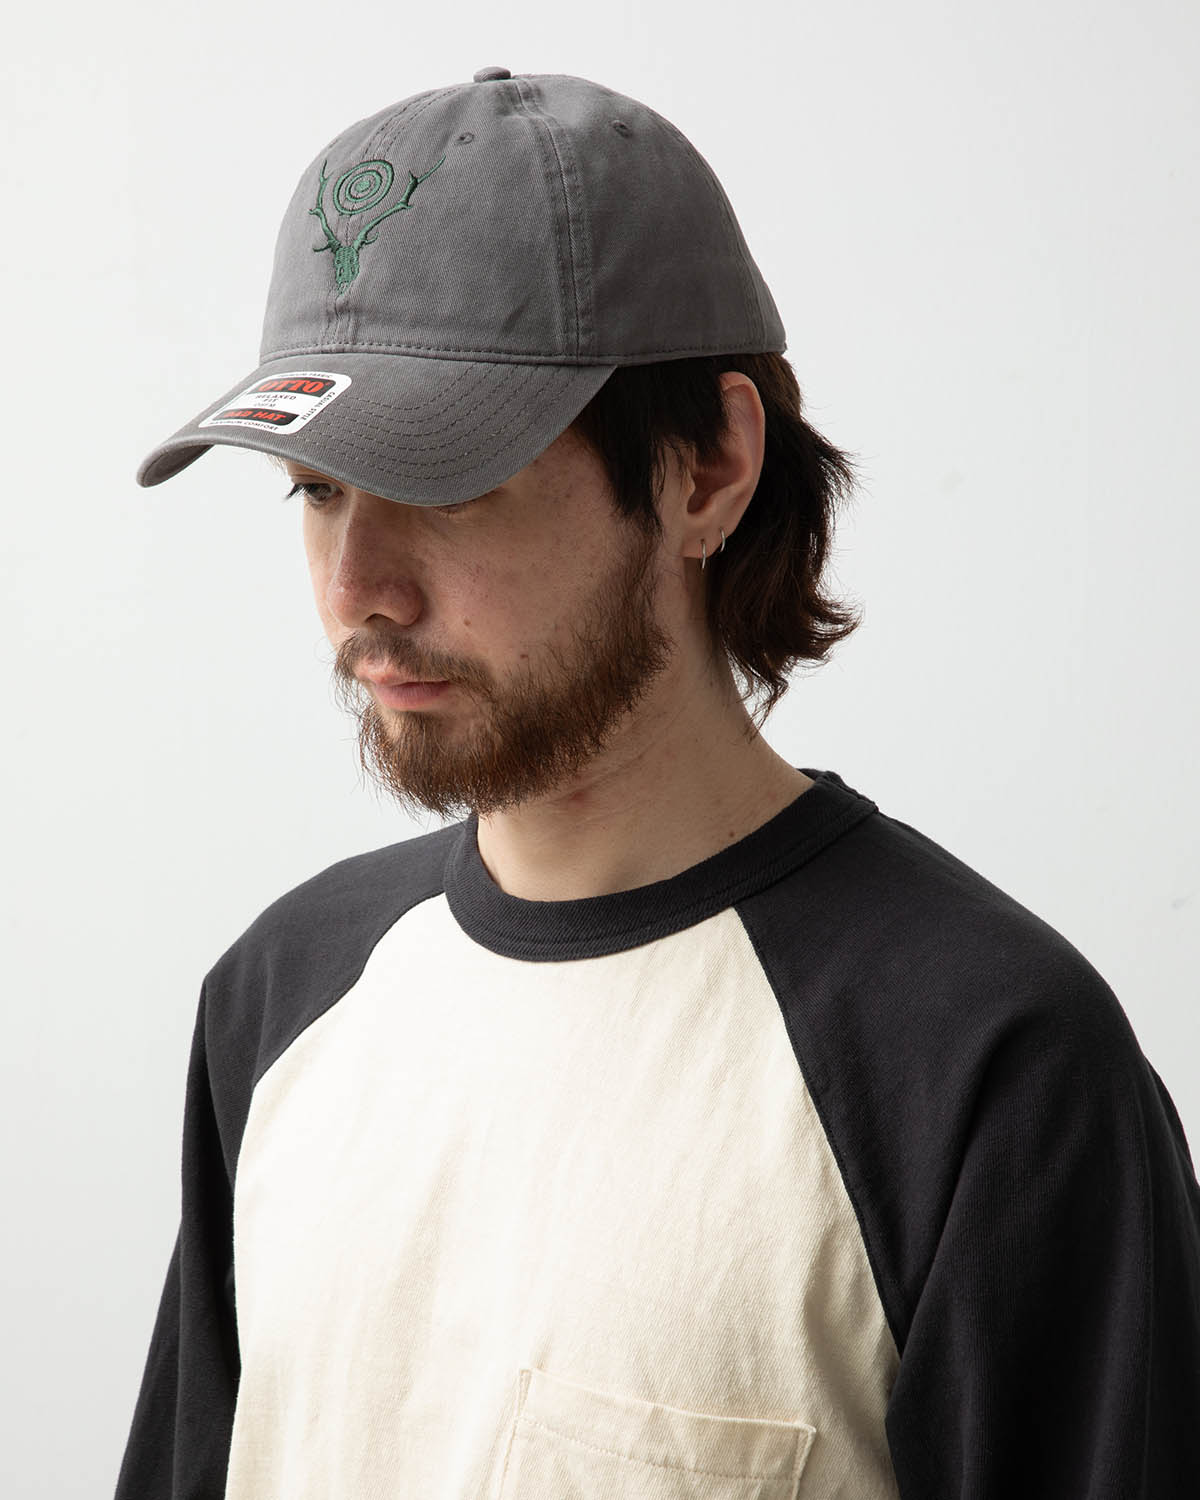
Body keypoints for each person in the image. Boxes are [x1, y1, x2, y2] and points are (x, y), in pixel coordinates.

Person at [115, 67, 1200, 1500]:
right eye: (316, 490)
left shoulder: (986, 1069)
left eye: (445, 483)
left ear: (708, 469)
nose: (357, 588)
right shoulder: (283, 996)